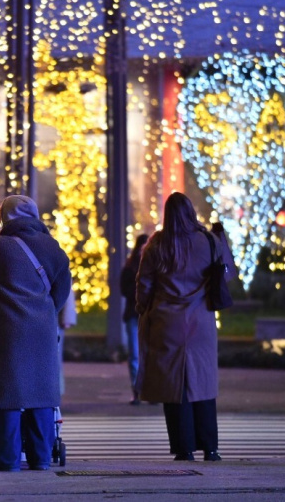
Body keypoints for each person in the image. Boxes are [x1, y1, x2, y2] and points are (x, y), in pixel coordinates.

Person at [135, 192, 238, 462]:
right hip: (201, 321)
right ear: (191, 212)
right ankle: (211, 447)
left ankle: (184, 448)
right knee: (202, 385)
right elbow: (229, 273)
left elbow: (144, 283)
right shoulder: (208, 240)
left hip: (166, 322)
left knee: (174, 387)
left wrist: (142, 307)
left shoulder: (158, 243)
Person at [0, 195, 72, 471]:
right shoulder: (51, 247)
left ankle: (7, 459)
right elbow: (62, 286)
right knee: (40, 391)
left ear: (5, 217)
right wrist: (47, 310)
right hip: (41, 329)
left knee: (8, 393)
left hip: (6, 329)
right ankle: (41, 458)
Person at [120, 233, 149, 405]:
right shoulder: (131, 267)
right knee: (137, 354)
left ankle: (145, 390)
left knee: (144, 354)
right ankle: (138, 391)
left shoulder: (152, 265)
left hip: (144, 314)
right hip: (135, 314)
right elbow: (125, 289)